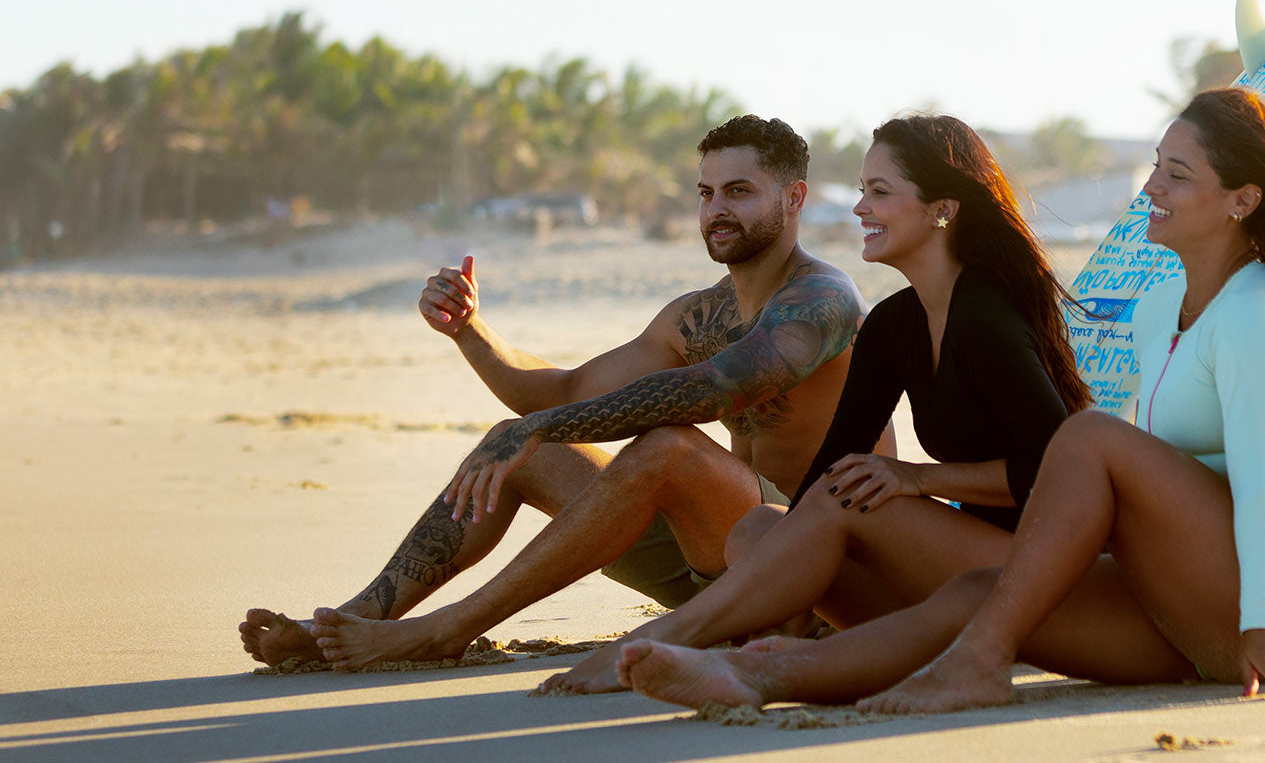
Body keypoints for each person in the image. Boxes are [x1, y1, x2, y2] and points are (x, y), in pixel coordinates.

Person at [614, 87, 1265, 713]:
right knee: (981, 590)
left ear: (1242, 200)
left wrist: (1264, 621)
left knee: (1089, 438)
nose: (1150, 186)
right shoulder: (1163, 308)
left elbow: (1255, 485)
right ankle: (764, 676)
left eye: (1176, 175)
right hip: (1189, 592)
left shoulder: (1262, 312)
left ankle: (979, 663)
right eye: (1156, 165)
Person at [238, 115, 895, 670]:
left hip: (816, 559)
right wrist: (471, 332)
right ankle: (348, 621)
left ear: (794, 197)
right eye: (705, 191)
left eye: (739, 191)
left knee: (669, 445)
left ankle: (445, 629)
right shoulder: (693, 316)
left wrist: (545, 425)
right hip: (714, 561)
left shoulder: (821, 298)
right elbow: (565, 390)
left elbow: (717, 390)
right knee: (532, 454)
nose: (717, 209)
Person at [539, 112, 1092, 694]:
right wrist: (782, 561)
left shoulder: (985, 315)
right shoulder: (893, 325)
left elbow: (1062, 476)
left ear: (942, 209)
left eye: (879, 192)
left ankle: (680, 639)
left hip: (1038, 574)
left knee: (844, 498)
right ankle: (768, 643)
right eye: (861, 191)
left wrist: (918, 479)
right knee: (760, 528)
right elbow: (831, 469)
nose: (859, 208)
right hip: (948, 568)